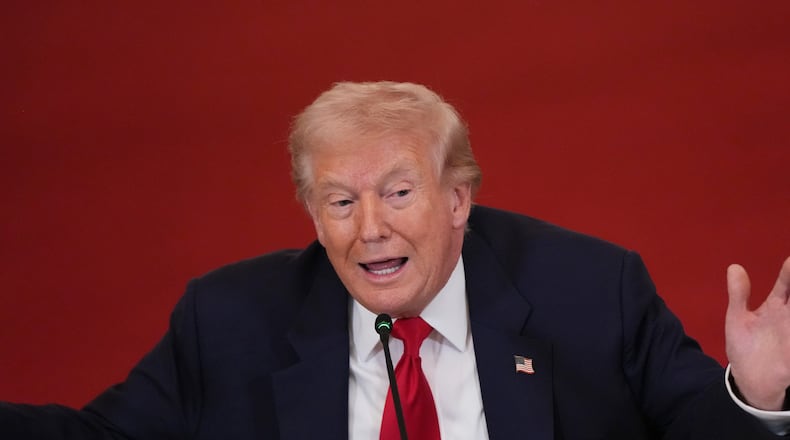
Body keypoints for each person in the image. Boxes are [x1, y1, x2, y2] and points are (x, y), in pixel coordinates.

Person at [2, 81, 789, 439]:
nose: (369, 229)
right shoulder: (230, 320)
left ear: (458, 200)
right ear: (313, 214)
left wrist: (755, 398)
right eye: (340, 202)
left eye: (399, 193)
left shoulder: (588, 291)